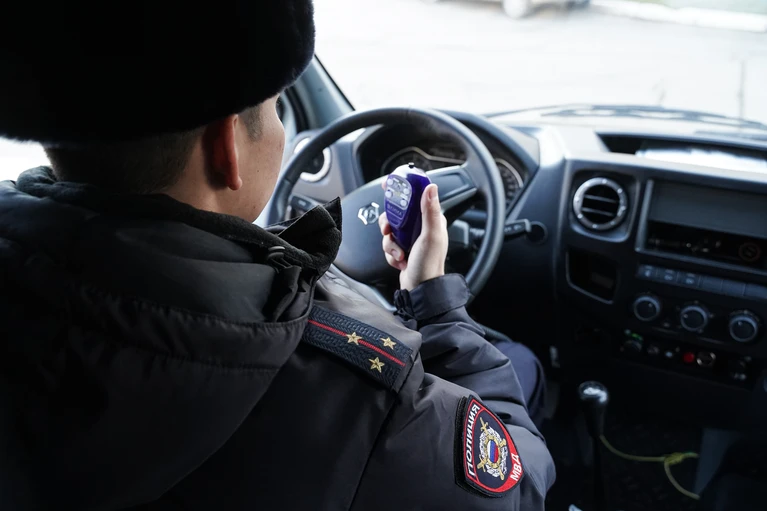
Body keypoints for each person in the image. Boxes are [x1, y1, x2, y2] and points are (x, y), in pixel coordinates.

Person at [0, 1, 555, 509]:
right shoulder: (370, 405)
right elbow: (520, 487)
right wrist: (436, 302)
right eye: (273, 109)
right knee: (524, 364)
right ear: (226, 148)